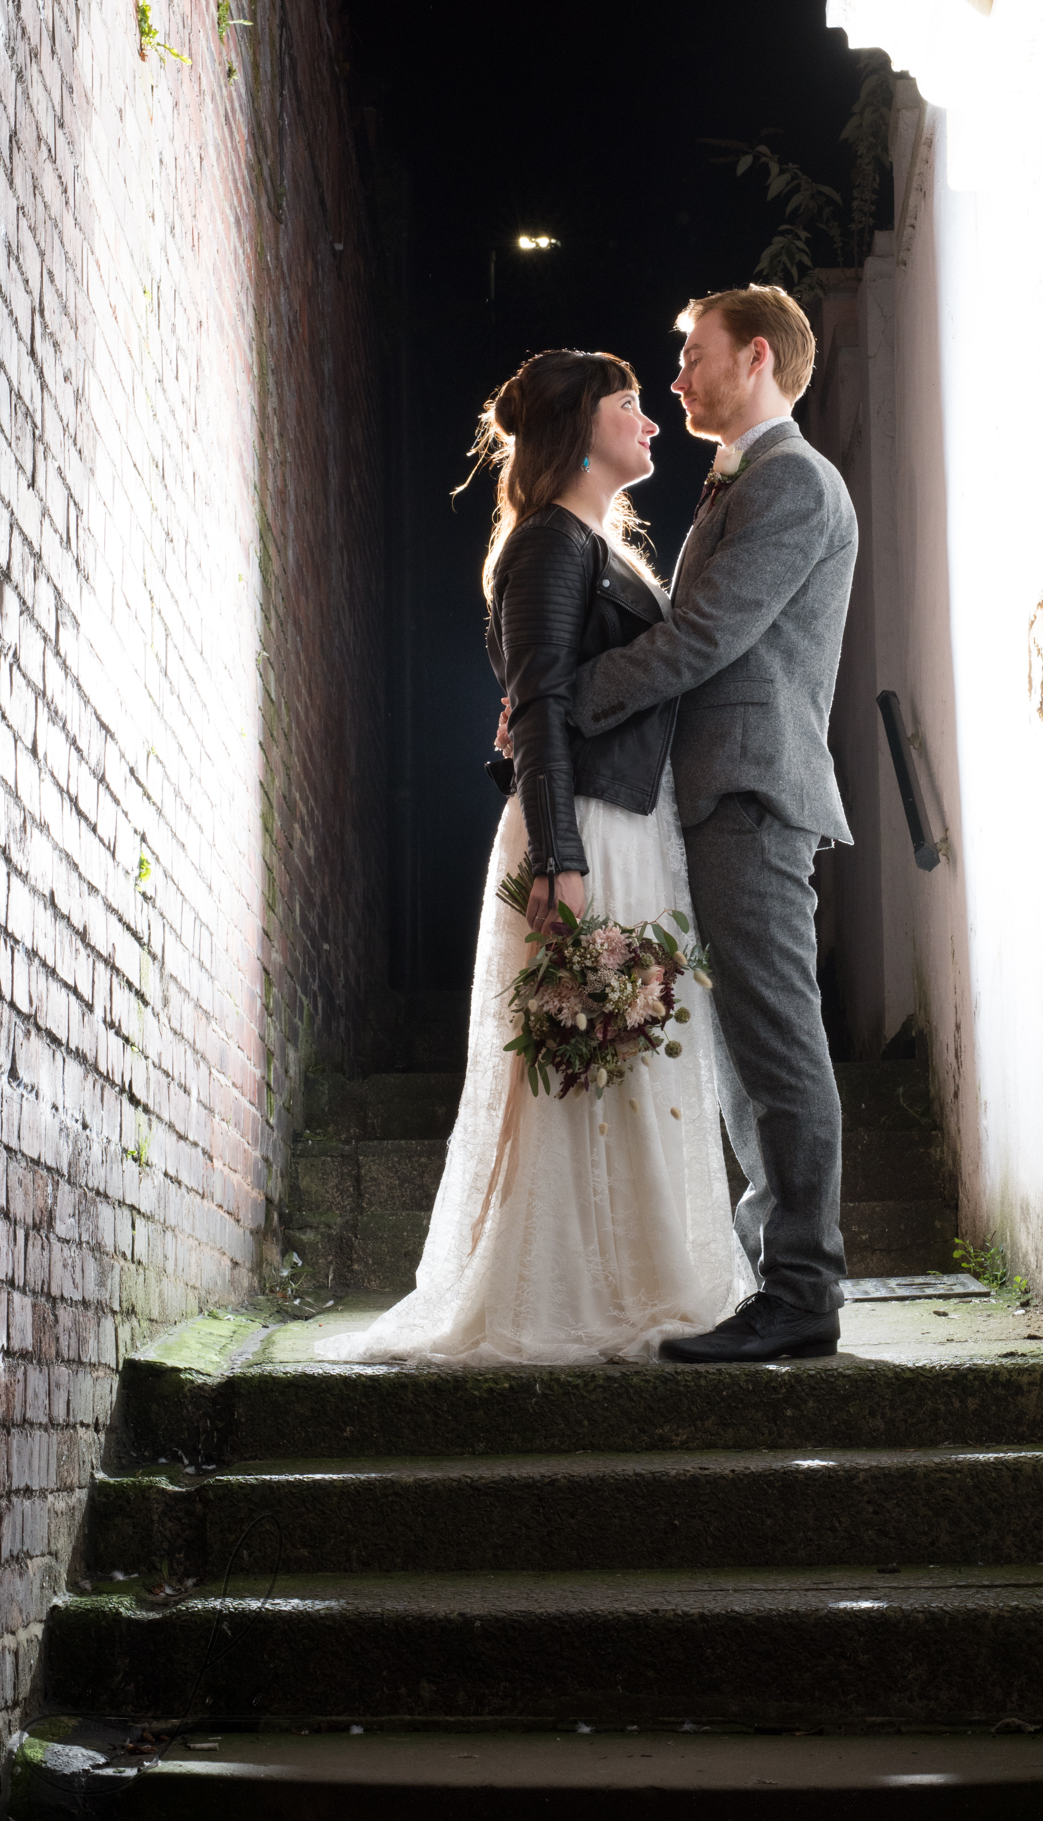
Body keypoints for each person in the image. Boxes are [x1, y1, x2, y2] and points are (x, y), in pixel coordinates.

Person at [321, 350, 752, 1366]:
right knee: (580, 1058)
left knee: (625, 1053)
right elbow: (545, 704)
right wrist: (559, 857)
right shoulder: (549, 545)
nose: (650, 421)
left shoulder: (591, 540)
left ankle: (633, 1271)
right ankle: (564, 1287)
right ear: (577, 426)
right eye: (628, 404)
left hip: (619, 819)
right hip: (583, 828)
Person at [570, 285, 859, 1364]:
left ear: (756, 355)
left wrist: (573, 697)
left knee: (775, 1041)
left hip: (753, 791)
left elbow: (702, 639)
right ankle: (775, 1280)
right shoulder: (746, 478)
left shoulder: (791, 482)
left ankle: (802, 1291)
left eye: (691, 355)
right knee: (742, 1047)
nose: (677, 377)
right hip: (717, 794)